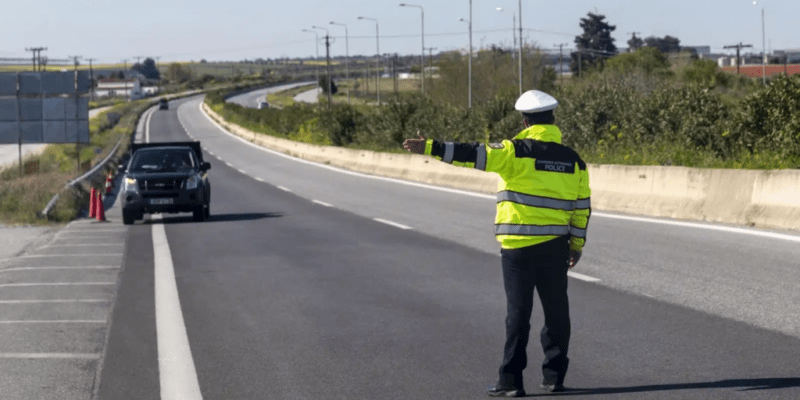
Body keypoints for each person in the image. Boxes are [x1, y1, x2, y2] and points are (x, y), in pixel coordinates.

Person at [402, 90, 591, 397]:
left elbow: (470, 154)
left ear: (525, 122)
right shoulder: (574, 161)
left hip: (518, 248)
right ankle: (554, 377)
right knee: (557, 312)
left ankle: (511, 382)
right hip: (556, 247)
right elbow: (582, 209)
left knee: (518, 314)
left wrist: (429, 146)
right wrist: (576, 245)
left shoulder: (514, 151)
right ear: (553, 120)